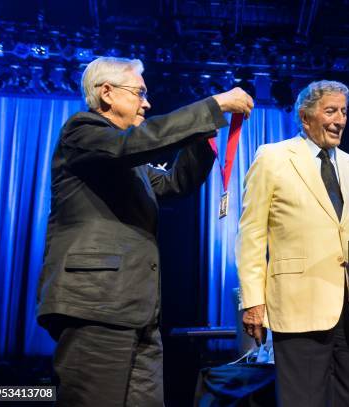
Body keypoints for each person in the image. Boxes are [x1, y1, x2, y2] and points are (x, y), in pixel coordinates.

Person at [36, 56, 253, 406]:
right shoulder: (82, 132)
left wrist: (204, 134)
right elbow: (135, 144)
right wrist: (211, 106)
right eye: (139, 93)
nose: (147, 103)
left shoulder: (130, 161)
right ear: (107, 93)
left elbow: (174, 184)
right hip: (96, 306)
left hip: (139, 309)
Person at [235, 80, 349, 407]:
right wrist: (252, 301)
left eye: (343, 111)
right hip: (298, 306)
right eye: (330, 111)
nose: (339, 119)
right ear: (305, 116)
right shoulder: (272, 157)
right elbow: (251, 234)